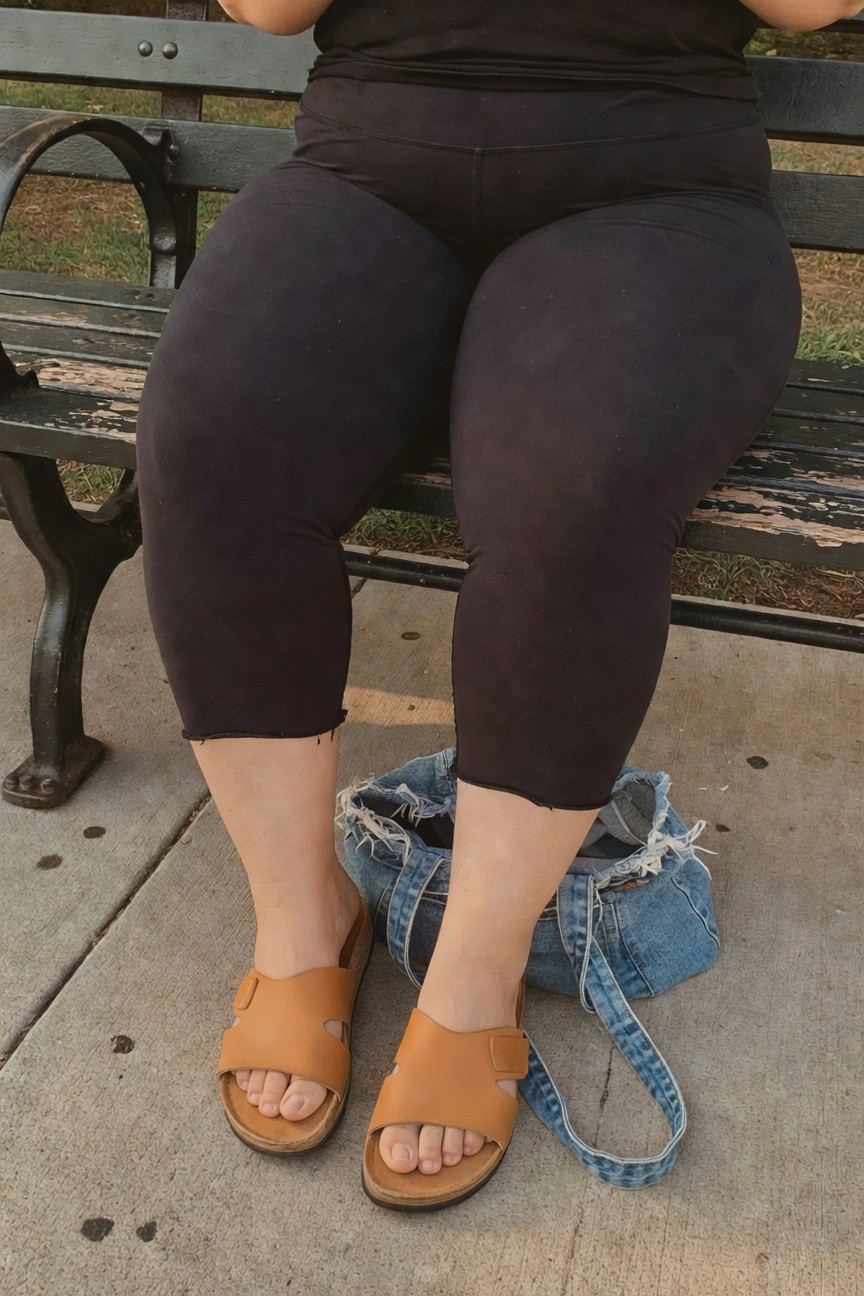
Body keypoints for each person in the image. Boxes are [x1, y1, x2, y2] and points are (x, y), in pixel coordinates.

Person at [133, 0, 853, 1211]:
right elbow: (267, 10)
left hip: (650, 191)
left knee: (572, 496)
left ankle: (474, 974)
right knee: (212, 451)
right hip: (368, 172)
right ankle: (301, 919)